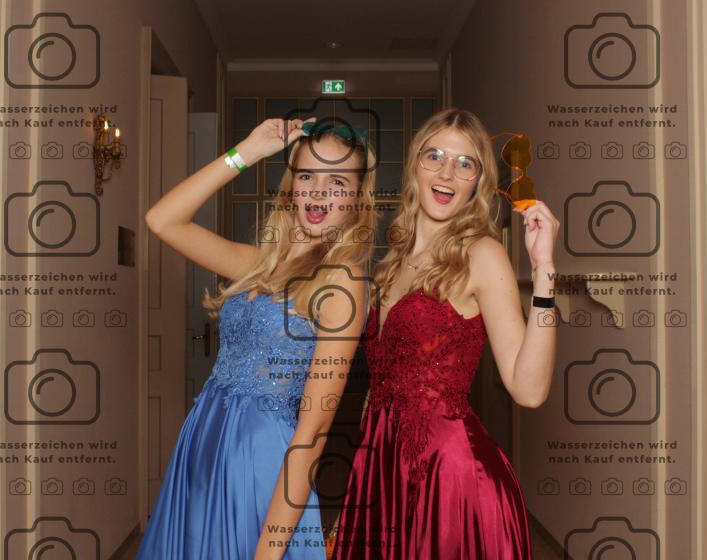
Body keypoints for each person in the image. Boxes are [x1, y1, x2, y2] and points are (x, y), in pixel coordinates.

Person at [138, 116, 379, 559]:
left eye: (337, 182)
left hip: (261, 461)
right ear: (291, 187)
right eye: (307, 176)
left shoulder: (343, 282)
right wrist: (246, 153)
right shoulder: (257, 264)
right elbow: (162, 220)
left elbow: (314, 428)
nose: (319, 192)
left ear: (356, 199)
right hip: (205, 442)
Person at [331, 108, 560, 559]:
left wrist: (545, 271)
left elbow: (529, 390)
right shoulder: (392, 261)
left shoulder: (482, 254)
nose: (446, 173)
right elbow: (379, 389)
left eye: (464, 163)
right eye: (434, 156)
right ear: (414, 165)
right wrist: (357, 488)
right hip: (381, 472)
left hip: (451, 481)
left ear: (477, 182)